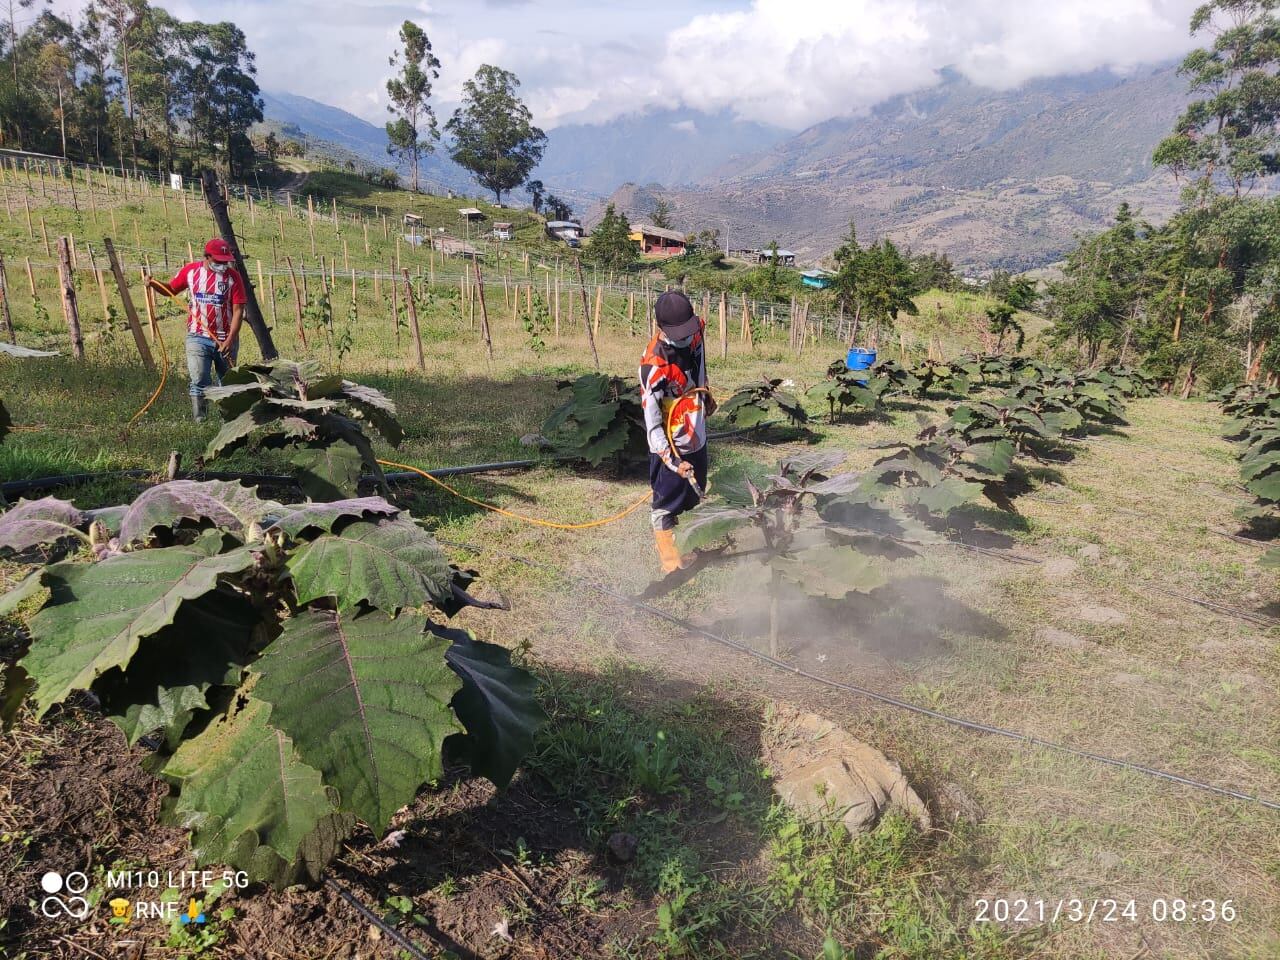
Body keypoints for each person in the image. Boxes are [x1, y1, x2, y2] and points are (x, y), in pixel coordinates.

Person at [639, 290, 716, 574]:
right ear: (662, 328)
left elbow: (700, 362)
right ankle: (671, 564)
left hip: (696, 433)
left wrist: (705, 390)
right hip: (670, 443)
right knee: (666, 503)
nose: (686, 337)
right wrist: (672, 460)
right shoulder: (654, 367)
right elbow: (653, 425)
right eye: (679, 333)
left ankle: (686, 543)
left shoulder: (696, 332)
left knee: (694, 495)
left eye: (689, 330)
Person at [147, 238, 246, 422]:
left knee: (228, 382)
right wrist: (153, 283)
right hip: (197, 337)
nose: (223, 265)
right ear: (207, 257)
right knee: (200, 379)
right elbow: (170, 289)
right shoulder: (191, 272)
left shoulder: (233, 277)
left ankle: (229, 424)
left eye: (226, 261)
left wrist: (230, 339)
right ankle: (200, 421)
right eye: (218, 261)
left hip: (226, 339)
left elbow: (238, 310)